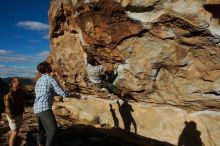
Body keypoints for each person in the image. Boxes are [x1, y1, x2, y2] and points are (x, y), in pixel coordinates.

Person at [34, 61, 74, 146]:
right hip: (44, 108)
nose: (51, 66)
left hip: (37, 108)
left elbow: (45, 92)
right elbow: (61, 92)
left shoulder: (39, 80)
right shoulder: (50, 79)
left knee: (41, 129)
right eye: (49, 66)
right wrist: (72, 94)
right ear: (46, 69)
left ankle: (40, 144)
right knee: (52, 130)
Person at [4, 77, 26, 146]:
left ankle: (14, 143)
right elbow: (7, 108)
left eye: (18, 81)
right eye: (15, 81)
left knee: (17, 131)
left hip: (20, 113)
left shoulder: (21, 91)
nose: (17, 82)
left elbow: (26, 98)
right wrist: (11, 117)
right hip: (12, 115)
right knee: (14, 132)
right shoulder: (8, 94)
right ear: (12, 83)